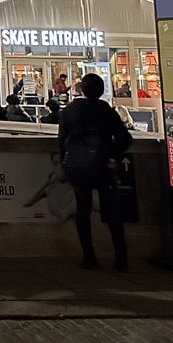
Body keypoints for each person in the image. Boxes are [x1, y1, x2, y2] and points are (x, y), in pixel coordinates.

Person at [59, 73, 132, 270]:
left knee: (82, 211)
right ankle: (120, 257)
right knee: (112, 212)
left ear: (81, 89)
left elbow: (61, 142)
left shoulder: (69, 110)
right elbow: (125, 138)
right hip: (101, 164)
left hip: (77, 165)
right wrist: (112, 154)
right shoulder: (105, 110)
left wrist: (64, 163)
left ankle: (89, 256)